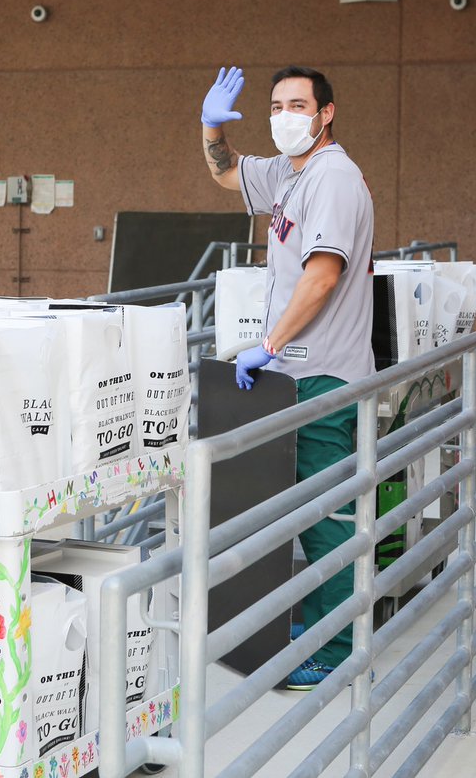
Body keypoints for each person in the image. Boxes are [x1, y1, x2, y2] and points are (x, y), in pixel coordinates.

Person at [200, 65, 375, 690]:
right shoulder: (287, 172)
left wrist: (267, 345)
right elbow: (225, 170)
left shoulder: (333, 178)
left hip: (324, 373)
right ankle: (325, 627)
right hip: (290, 373)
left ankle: (339, 647)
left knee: (328, 515)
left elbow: (323, 275)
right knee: (303, 509)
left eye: (297, 104)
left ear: (326, 113)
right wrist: (211, 122)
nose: (283, 115)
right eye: (275, 105)